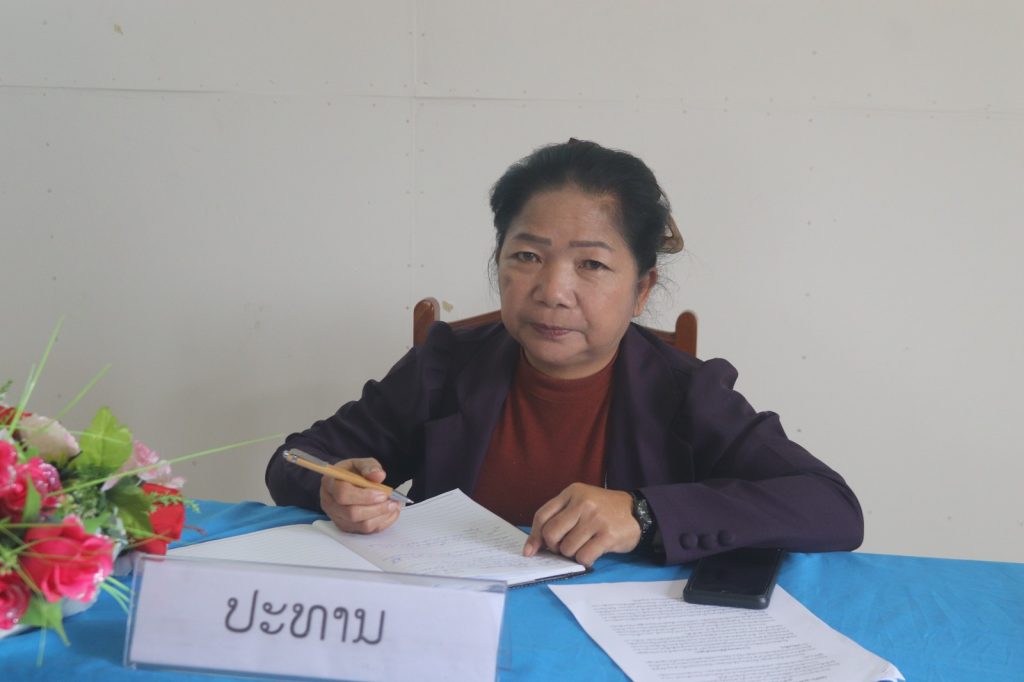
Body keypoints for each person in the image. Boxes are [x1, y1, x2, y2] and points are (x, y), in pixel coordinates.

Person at [266, 139, 863, 567]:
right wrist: (332, 488)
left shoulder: (686, 392)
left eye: (592, 264)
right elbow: (297, 457)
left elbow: (831, 506)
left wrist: (644, 513)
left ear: (642, 290)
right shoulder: (444, 366)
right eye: (527, 256)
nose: (552, 291)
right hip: (456, 628)